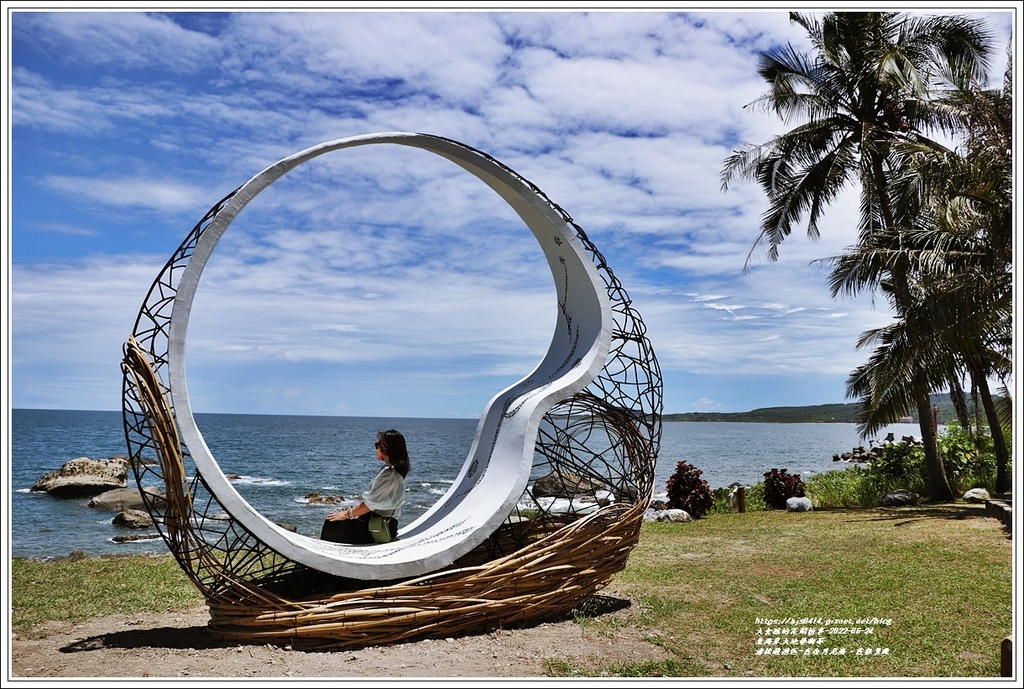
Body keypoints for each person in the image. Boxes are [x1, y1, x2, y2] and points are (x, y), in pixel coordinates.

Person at [320, 429, 410, 545]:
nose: (377, 449)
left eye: (379, 445)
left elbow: (370, 504)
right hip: (383, 524)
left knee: (331, 524)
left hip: (379, 528)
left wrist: (347, 514)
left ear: (387, 449)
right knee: (338, 520)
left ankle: (326, 559)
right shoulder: (394, 471)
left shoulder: (389, 475)